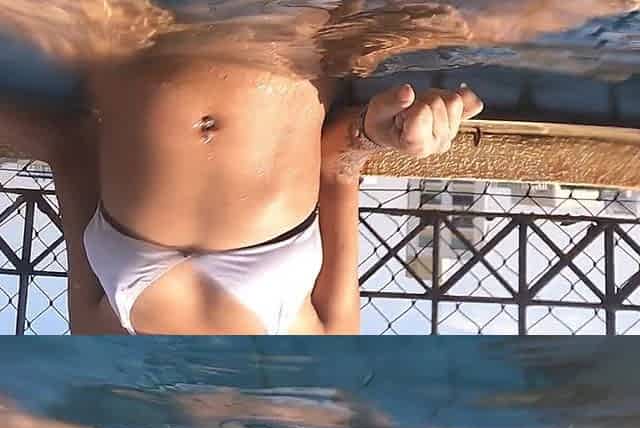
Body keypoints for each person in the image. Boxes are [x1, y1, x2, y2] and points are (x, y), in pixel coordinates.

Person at [0, 0, 633, 335]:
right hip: (290, 35)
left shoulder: (103, 355)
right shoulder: (320, 359)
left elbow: (65, 143)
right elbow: (338, 167)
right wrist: (382, 133)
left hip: (124, 28)